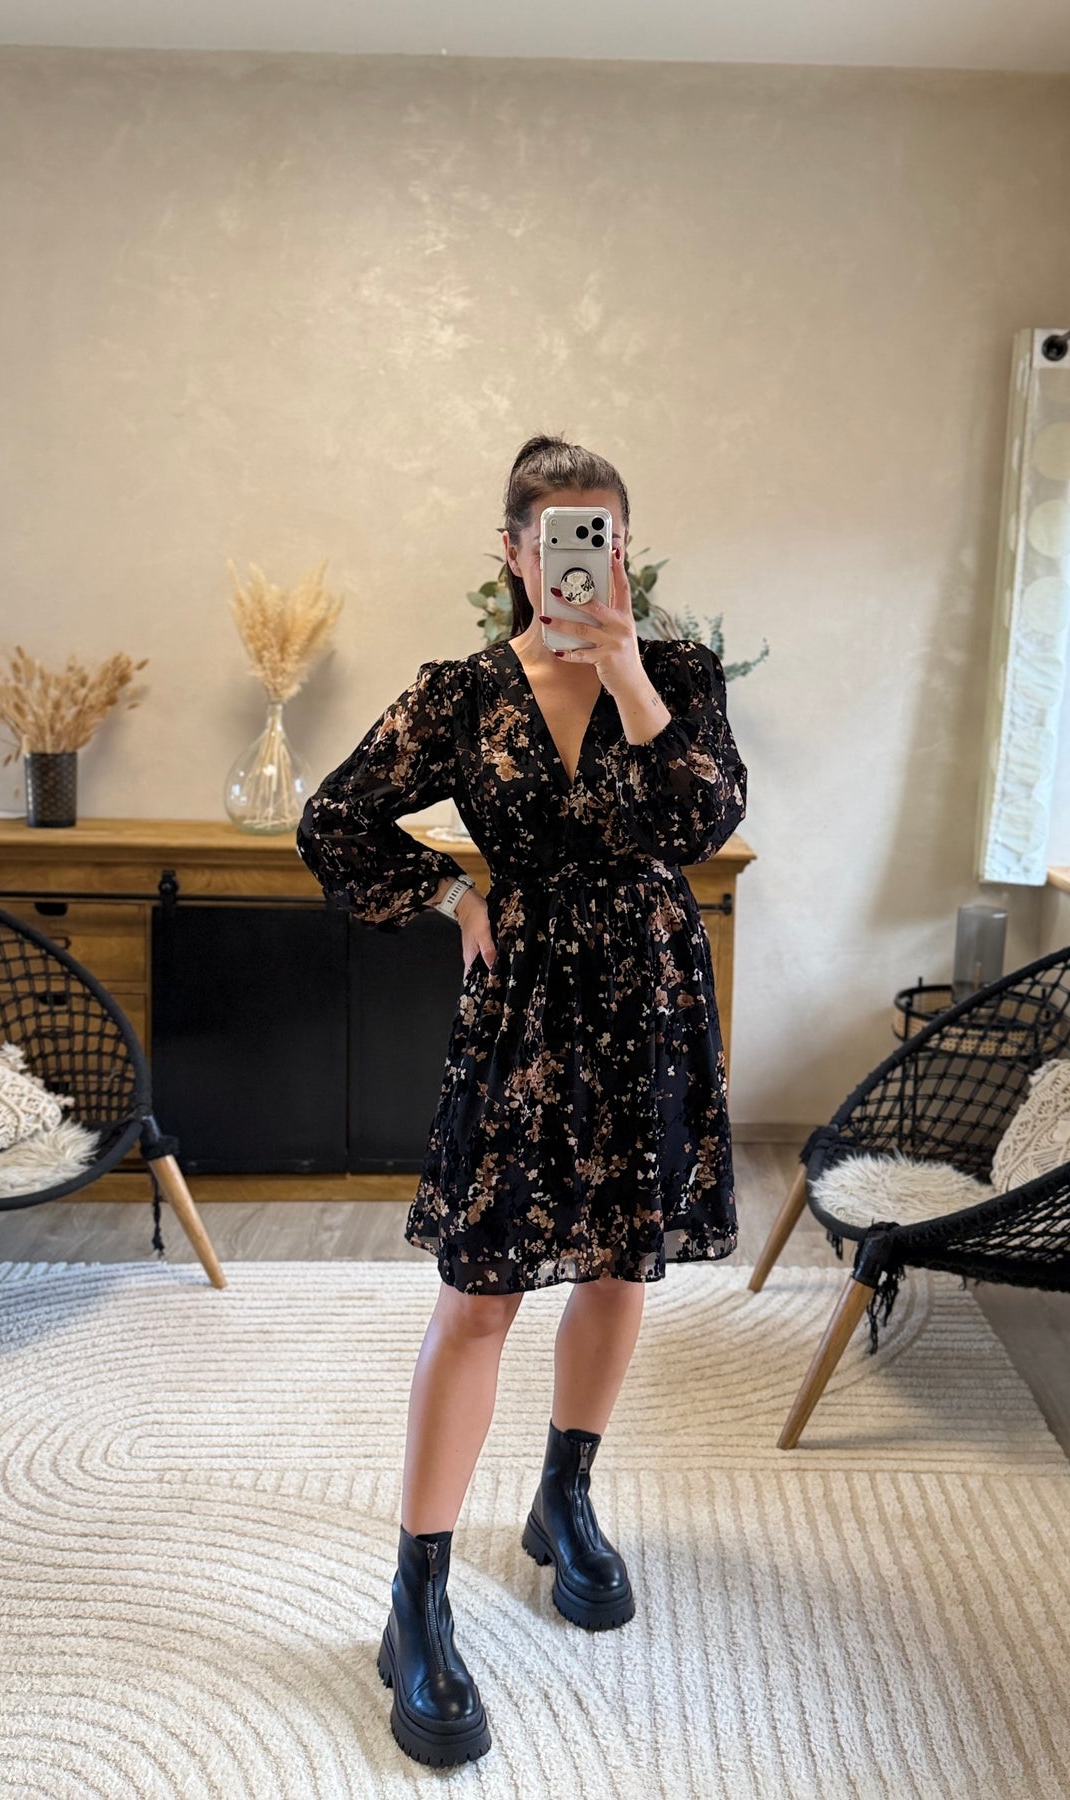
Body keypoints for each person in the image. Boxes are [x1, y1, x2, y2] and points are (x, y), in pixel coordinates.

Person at [295, 434, 748, 1766]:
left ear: (625, 548)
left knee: (616, 1265)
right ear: (511, 550)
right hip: (527, 1004)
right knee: (481, 1291)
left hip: (648, 1000)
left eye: (601, 533)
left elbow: (702, 822)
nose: (577, 557)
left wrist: (625, 670)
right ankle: (416, 1598)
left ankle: (564, 1498)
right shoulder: (458, 695)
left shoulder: (679, 676)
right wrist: (454, 892)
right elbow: (335, 821)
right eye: (555, 535)